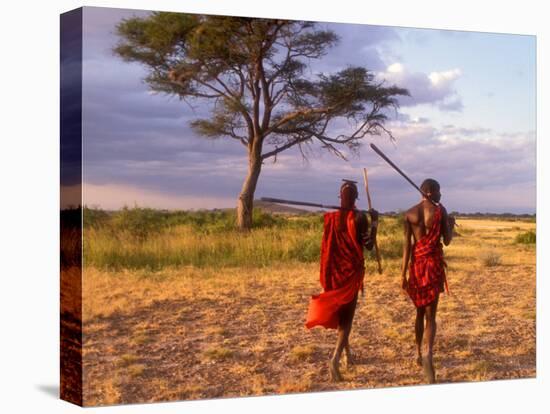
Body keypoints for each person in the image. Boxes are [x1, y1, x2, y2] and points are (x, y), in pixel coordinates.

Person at [305, 180, 379, 382]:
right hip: (350, 276)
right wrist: (374, 223)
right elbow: (369, 245)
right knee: (347, 319)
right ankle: (335, 358)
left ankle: (348, 355)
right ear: (356, 198)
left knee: (342, 317)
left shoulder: (330, 218)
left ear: (340, 197)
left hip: (333, 274)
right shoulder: (359, 218)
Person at [401, 178, 455, 384]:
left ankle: (417, 353)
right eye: (439, 191)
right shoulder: (440, 212)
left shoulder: (410, 213)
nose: (441, 195)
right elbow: (447, 241)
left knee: (419, 312)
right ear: (430, 192)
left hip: (416, 268)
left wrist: (402, 275)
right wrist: (449, 223)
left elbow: (407, 246)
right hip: (432, 267)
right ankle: (427, 355)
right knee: (431, 316)